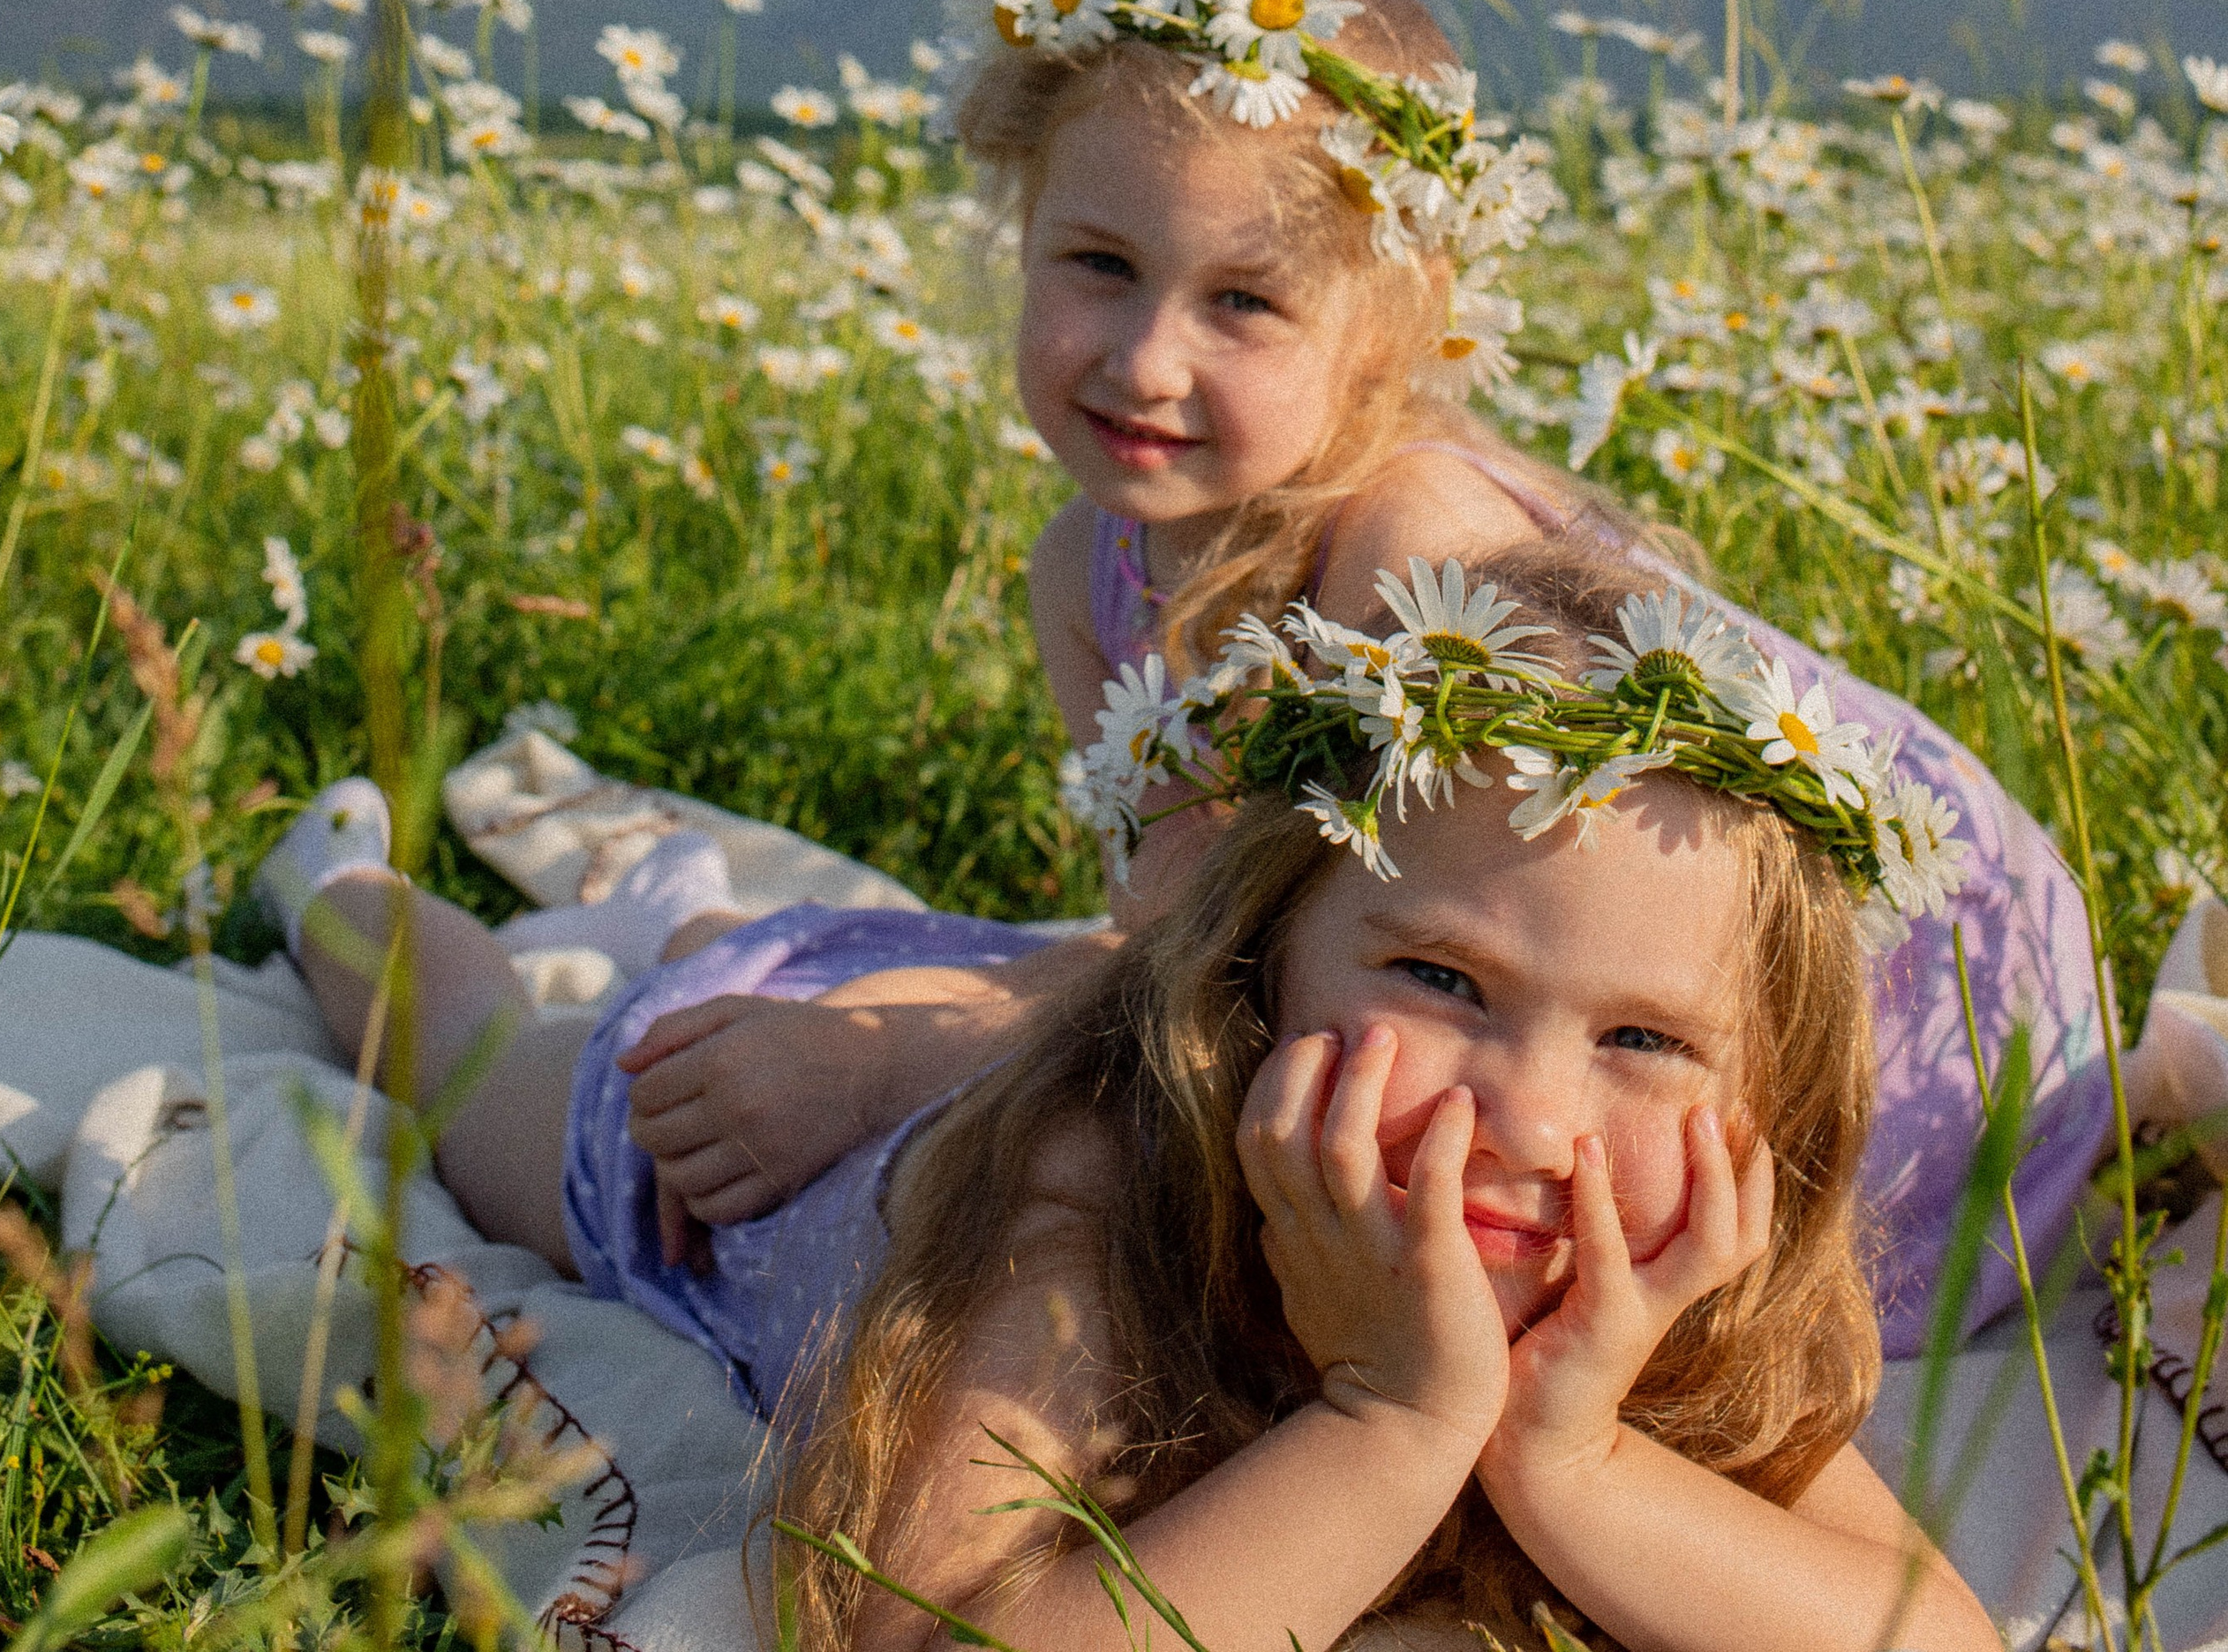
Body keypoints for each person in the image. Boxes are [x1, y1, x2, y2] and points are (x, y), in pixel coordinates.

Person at [613, 0, 2108, 1358]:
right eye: (1097, 267)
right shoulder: (1088, 572)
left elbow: (1285, 969)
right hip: (1516, 1031)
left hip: (1873, 1073)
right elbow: (1186, 932)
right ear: (1022, 231)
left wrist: (893, 1058)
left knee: (1064, 1159)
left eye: (1245, 302)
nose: (1146, 359)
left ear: (1391, 327)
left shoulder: (1414, 546)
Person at [267, 538, 1996, 1651]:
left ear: (1757, 1096)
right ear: (1259, 966)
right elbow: (912, 1635)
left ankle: (725, 918)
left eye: (1640, 1040)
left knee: (758, 950)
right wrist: (1388, 1426)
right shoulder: (1092, 1192)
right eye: (1440, 982)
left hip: (925, 1020)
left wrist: (1571, 1454)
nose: (1530, 1122)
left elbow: (1934, 1644)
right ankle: (336, 891)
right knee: (476, 1068)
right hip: (737, 1157)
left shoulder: (1659, 1276)